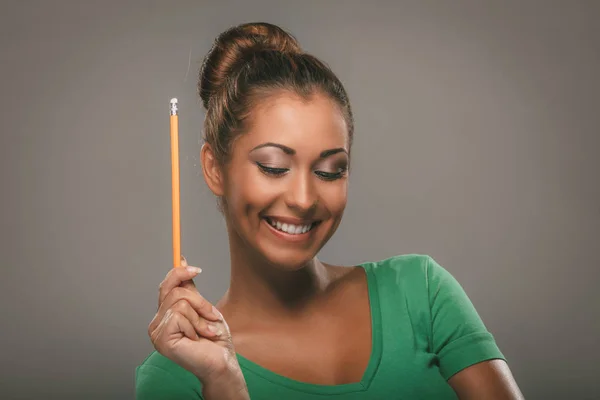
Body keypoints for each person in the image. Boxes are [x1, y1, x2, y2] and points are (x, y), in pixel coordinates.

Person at [135, 22, 524, 400]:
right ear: (214, 168)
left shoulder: (420, 292)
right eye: (273, 167)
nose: (304, 199)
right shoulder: (179, 372)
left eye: (329, 171)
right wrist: (223, 381)